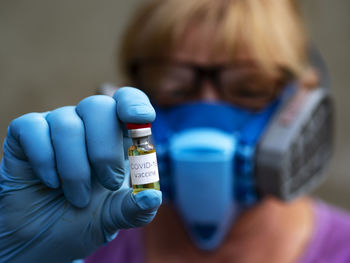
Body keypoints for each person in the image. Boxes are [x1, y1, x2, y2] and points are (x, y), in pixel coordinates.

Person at [1, 0, 350, 262]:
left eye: (248, 88)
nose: (208, 108)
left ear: (300, 103)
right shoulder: (81, 239)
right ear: (128, 93)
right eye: (174, 85)